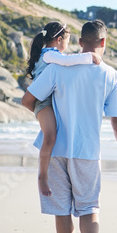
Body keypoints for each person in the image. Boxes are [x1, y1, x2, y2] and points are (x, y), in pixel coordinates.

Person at [21, 20, 117, 233]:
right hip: (88, 152)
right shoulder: (110, 75)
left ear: (80, 43)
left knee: (62, 212)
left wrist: (44, 118)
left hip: (56, 149)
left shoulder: (58, 68)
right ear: (103, 43)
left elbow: (30, 98)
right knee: (89, 208)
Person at [25, 21, 102, 198]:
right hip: (43, 102)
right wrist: (90, 55)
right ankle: (42, 176)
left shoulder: (52, 54)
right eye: (67, 40)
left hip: (50, 101)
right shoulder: (49, 54)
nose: (67, 45)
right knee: (50, 137)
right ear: (60, 39)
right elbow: (67, 61)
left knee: (52, 134)